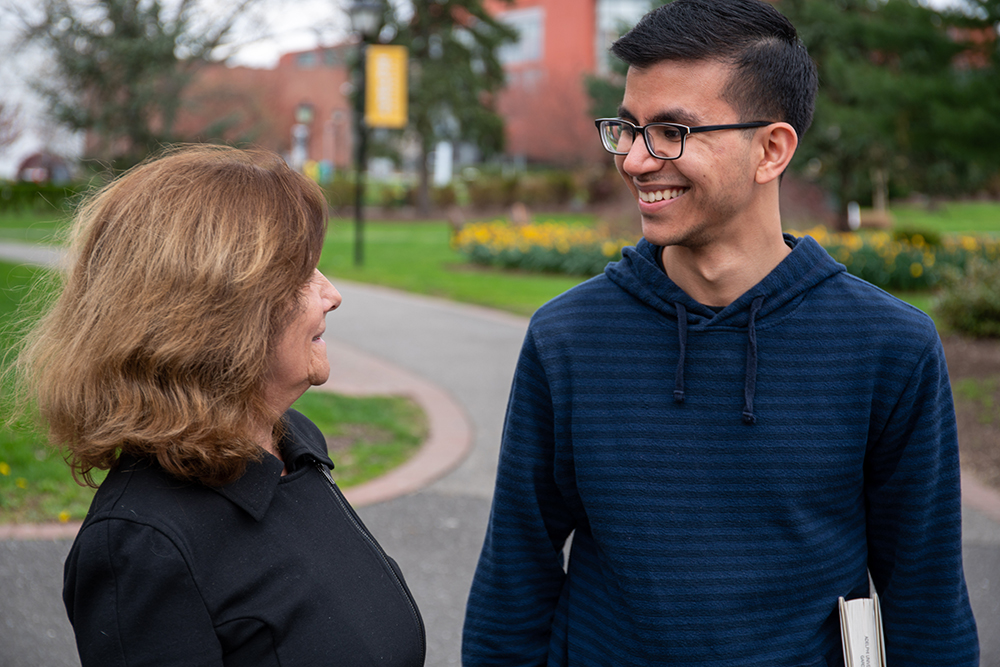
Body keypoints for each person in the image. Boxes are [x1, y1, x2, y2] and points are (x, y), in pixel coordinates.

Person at [462, 1, 979, 665]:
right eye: (628, 128)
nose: (637, 162)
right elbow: (514, 584)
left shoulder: (889, 348)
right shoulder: (567, 339)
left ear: (771, 149)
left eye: (673, 131)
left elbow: (926, 608)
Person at [15, 145, 426, 666]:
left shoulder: (292, 444)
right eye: (302, 276)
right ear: (219, 315)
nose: (332, 294)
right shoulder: (143, 545)